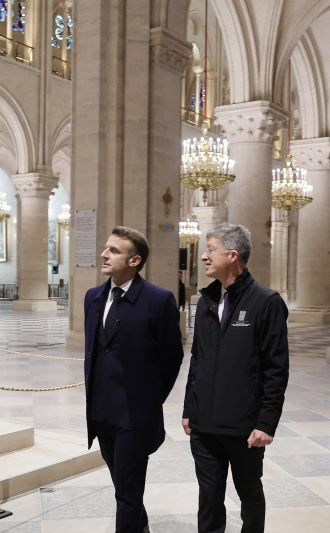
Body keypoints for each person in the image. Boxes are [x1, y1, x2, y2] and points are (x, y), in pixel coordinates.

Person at [182, 223, 289, 533]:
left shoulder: (266, 302)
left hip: (245, 427)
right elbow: (198, 361)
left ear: (232, 255)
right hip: (204, 425)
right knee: (209, 499)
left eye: (209, 250)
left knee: (250, 496)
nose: (203, 257)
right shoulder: (205, 302)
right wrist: (190, 409)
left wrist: (266, 423)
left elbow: (275, 369)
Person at [83, 226, 184, 533]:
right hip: (101, 413)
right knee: (123, 487)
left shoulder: (159, 300)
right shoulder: (93, 297)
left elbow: (172, 358)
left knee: (127, 493)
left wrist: (147, 399)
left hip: (133, 415)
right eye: (106, 248)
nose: (104, 254)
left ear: (134, 261)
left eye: (114, 250)